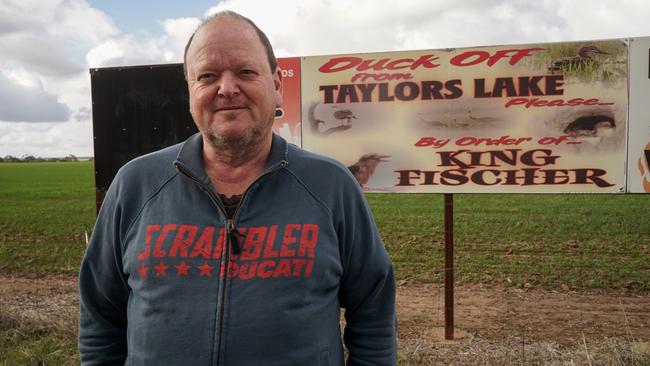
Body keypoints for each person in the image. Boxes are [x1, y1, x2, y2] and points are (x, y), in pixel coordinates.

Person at [79, 10, 396, 365]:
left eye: (245, 71)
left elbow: (373, 312)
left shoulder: (331, 186)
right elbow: (100, 316)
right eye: (208, 75)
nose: (227, 88)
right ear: (190, 90)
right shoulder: (135, 184)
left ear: (277, 86)